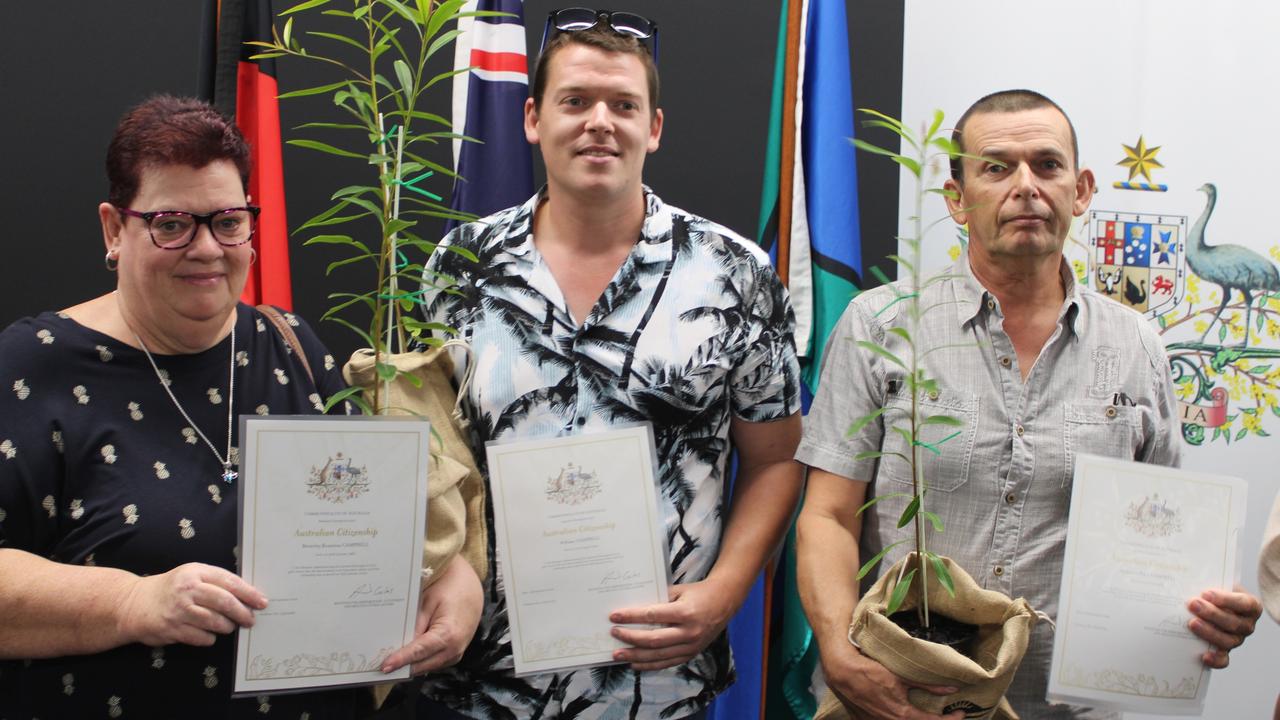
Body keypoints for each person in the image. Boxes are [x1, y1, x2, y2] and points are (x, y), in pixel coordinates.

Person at [0, 95, 482, 719]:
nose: (206, 248)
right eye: (172, 223)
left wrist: (450, 579)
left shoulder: (290, 346)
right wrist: (131, 602)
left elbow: (371, 525)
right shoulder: (32, 367)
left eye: (228, 221)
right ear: (114, 230)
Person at [794, 89, 1263, 719]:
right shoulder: (881, 326)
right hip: (906, 696)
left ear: (1082, 190)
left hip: (1067, 706)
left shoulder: (1137, 347)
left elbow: (1161, 540)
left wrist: (1207, 610)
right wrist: (837, 651)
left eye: (1047, 165)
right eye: (996, 167)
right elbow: (827, 515)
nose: (1026, 186)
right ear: (956, 199)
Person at [416, 9, 803, 720]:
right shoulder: (461, 267)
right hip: (485, 676)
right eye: (575, 101)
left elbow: (777, 457)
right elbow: (437, 452)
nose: (600, 121)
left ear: (654, 127)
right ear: (533, 118)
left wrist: (726, 592)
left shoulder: (734, 275)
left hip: (655, 682)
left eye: (624, 105)